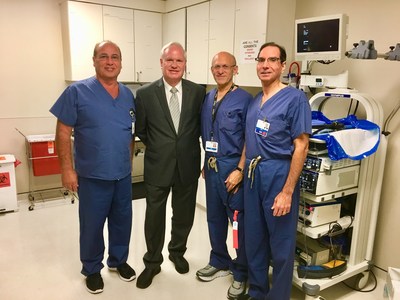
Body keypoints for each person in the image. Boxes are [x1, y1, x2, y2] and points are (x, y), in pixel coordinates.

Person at [50, 41, 136, 294]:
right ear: (94, 60)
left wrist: (128, 163)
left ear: (121, 62)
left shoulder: (128, 95)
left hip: (122, 174)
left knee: (123, 221)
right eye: (104, 57)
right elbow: (63, 132)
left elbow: (129, 133)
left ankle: (118, 261)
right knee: (92, 225)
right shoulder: (77, 92)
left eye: (115, 57)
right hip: (92, 175)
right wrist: (67, 169)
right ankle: (91, 268)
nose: (110, 62)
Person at [238, 42, 311, 300]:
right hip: (252, 175)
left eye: (272, 60)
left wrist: (287, 191)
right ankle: (258, 291)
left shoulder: (295, 99)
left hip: (278, 174)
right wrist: (240, 169)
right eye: (261, 60)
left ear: (282, 65)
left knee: (280, 243)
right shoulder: (255, 100)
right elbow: (249, 139)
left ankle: (279, 296)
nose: (265, 65)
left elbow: (301, 145)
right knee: (254, 239)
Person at [134, 42, 206, 289]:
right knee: (154, 216)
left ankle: (177, 252)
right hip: (158, 165)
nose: (175, 65)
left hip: (188, 164)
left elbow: (201, 127)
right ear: (161, 63)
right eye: (170, 60)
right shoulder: (144, 94)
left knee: (184, 214)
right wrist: (162, 147)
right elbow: (141, 130)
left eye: (180, 61)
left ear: (185, 64)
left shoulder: (198, 92)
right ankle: (152, 262)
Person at [196, 52, 251, 300]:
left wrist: (240, 170)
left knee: (238, 223)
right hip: (212, 167)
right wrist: (206, 163)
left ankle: (241, 272)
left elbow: (250, 139)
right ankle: (219, 259)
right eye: (216, 66)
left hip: (232, 169)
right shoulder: (208, 98)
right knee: (214, 219)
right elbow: (207, 134)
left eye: (225, 66)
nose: (220, 70)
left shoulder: (245, 100)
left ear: (235, 69)